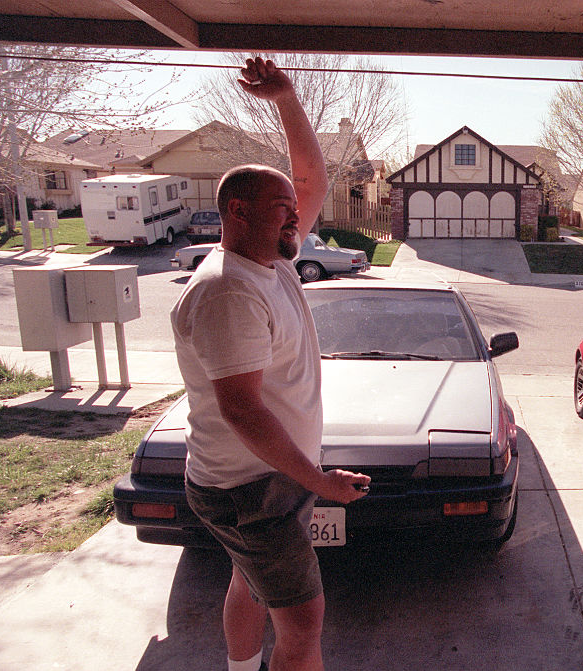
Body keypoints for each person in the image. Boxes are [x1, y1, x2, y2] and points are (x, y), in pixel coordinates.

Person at [170, 57, 370, 671]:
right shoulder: (229, 291)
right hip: (251, 490)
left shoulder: (271, 260)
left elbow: (312, 180)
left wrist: (286, 100)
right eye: (281, 206)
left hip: (262, 480)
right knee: (303, 624)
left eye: (291, 206)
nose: (295, 213)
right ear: (239, 212)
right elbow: (242, 410)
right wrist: (320, 481)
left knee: (249, 581)